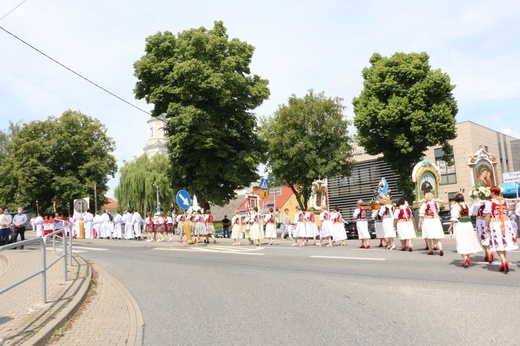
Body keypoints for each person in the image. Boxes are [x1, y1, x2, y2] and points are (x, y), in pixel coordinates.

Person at [484, 186, 518, 273]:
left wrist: (486, 225)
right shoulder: (504, 201)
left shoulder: (489, 202)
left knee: (498, 242)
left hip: (495, 223)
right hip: (505, 223)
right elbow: (507, 211)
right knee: (503, 242)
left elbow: (488, 215)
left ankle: (503, 261)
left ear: (492, 193)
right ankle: (503, 264)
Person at [448, 193, 482, 268]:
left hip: (460, 225)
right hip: (468, 224)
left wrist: (450, 227)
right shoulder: (466, 205)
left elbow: (454, 218)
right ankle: (468, 257)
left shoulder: (456, 206)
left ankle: (465, 258)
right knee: (468, 241)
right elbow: (470, 214)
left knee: (460, 241)